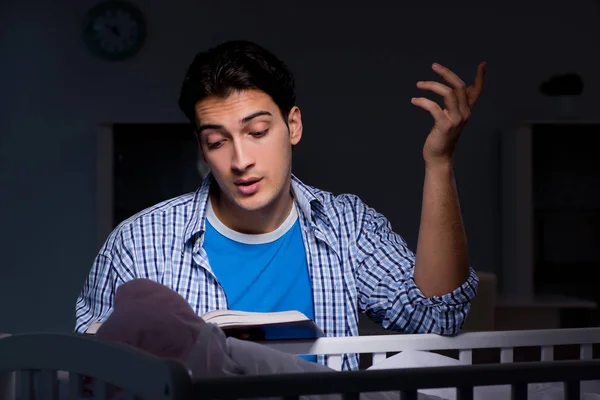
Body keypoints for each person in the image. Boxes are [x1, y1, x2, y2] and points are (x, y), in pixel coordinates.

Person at [75, 40, 484, 371]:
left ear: (293, 126)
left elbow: (437, 317)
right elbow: (95, 374)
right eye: (217, 142)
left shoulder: (346, 226)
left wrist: (440, 163)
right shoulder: (139, 242)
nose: (240, 161)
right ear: (202, 147)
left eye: (256, 132)